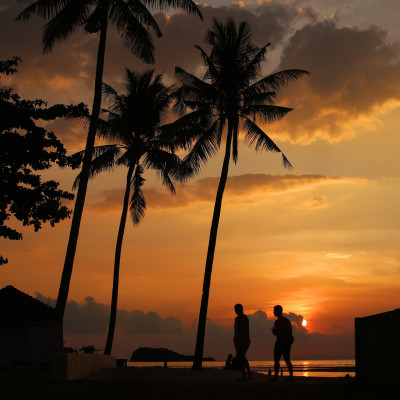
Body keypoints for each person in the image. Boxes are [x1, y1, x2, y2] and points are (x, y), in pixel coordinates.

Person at [271, 305, 294, 380]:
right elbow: (275, 334)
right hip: (279, 342)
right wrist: (274, 331)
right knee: (277, 359)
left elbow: (288, 332)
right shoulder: (277, 322)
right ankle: (276, 376)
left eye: (275, 311)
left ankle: (290, 377)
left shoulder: (285, 321)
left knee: (286, 360)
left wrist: (278, 332)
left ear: (279, 311)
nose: (273, 312)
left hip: (285, 343)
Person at [233, 303, 252, 380]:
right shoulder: (236, 318)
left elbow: (246, 330)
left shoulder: (244, 318)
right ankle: (247, 374)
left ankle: (245, 375)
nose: (236, 311)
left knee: (241, 357)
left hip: (244, 340)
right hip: (237, 340)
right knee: (242, 357)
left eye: (237, 309)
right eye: (235, 310)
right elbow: (237, 330)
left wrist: (247, 340)